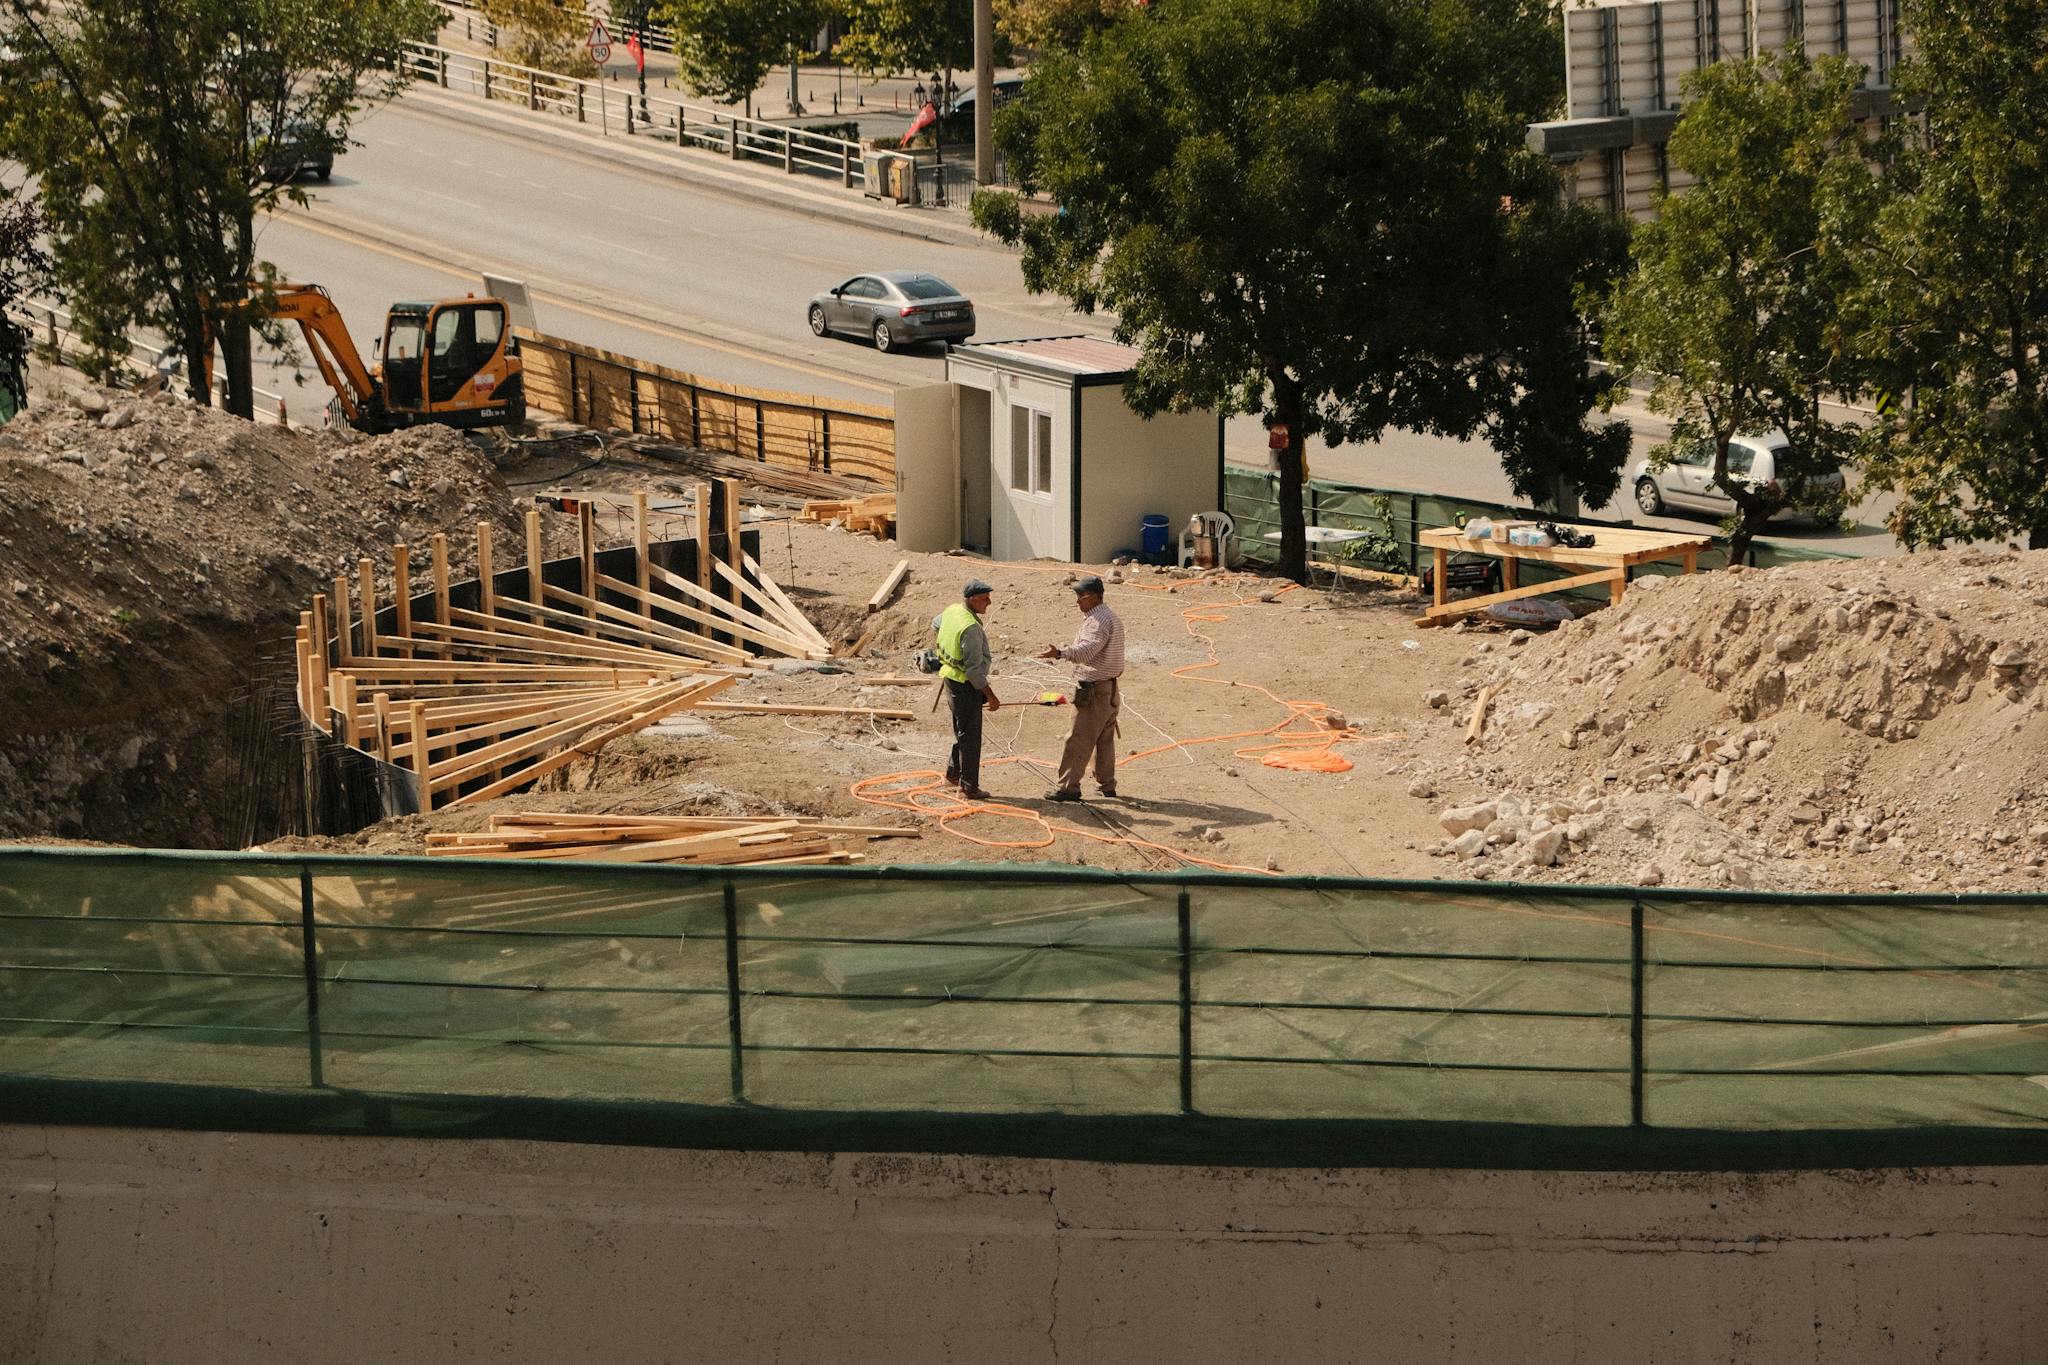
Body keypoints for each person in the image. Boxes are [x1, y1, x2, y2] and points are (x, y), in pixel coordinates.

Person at [1037, 574, 1125, 801]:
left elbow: (1086, 651)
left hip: (1095, 689)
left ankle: (1068, 787)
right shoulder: (1111, 617)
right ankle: (1107, 785)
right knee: (1104, 740)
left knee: (1078, 738)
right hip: (1110, 688)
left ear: (1095, 597)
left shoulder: (1097, 621)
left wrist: (1060, 653)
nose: (1078, 602)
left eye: (1081, 597)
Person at [932, 578, 1001, 800]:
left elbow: (935, 624)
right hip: (965, 685)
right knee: (970, 737)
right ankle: (968, 788)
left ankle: (953, 774)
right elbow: (974, 671)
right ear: (972, 599)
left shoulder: (953, 611)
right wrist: (990, 696)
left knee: (962, 729)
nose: (989, 602)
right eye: (984, 598)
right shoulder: (970, 628)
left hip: (950, 678)